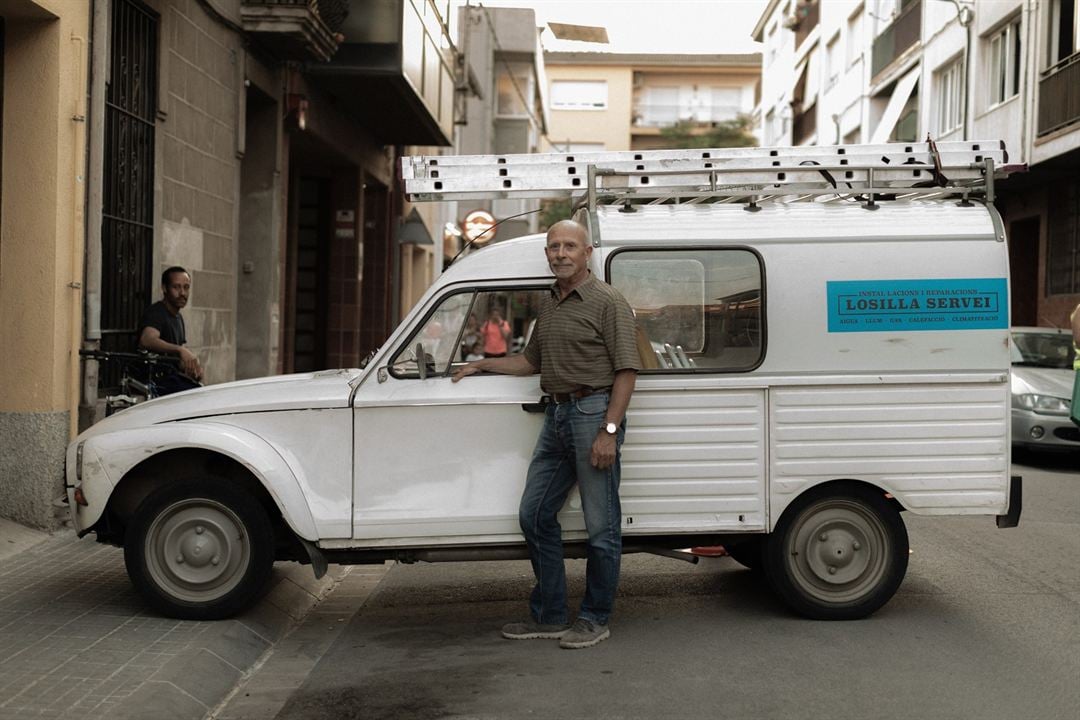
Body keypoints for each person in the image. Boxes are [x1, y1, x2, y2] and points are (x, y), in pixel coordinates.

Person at [453, 219, 640, 649]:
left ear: (587, 251)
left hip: (593, 411)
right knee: (534, 514)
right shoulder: (550, 303)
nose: (560, 253)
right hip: (556, 415)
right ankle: (552, 614)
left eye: (569, 246)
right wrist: (481, 364)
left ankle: (595, 618)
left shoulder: (607, 301)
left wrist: (608, 430)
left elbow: (627, 372)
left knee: (602, 526)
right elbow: (530, 362)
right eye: (553, 246)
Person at [138, 266, 203, 395]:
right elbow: (147, 339)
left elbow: (179, 359)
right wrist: (180, 350)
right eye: (176, 287)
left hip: (172, 378)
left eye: (186, 287)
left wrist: (193, 368)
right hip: (156, 380)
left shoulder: (178, 317)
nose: (182, 293)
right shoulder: (157, 312)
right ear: (164, 288)